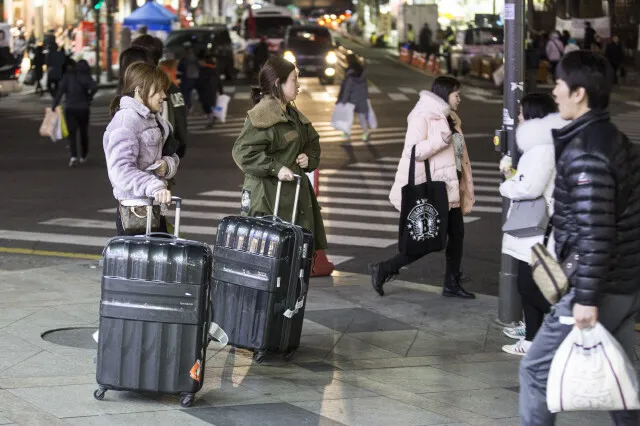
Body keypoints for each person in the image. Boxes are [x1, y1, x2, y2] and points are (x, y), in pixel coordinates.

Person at [519, 50, 640, 425]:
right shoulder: (610, 138)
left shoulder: (587, 152)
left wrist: (585, 298)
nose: (553, 91)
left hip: (596, 286)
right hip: (621, 281)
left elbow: (597, 231)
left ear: (579, 93)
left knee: (536, 370)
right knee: (621, 376)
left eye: (559, 83)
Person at [369, 76, 475, 298]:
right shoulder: (421, 115)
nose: (460, 99)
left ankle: (451, 283)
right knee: (427, 240)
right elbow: (414, 152)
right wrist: (442, 140)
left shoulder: (450, 117)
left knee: (457, 236)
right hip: (433, 188)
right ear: (445, 94)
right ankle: (385, 268)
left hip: (449, 186)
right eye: (457, 94)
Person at [231, 56, 328, 253]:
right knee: (269, 259)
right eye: (294, 79)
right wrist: (276, 168)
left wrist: (308, 157)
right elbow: (243, 153)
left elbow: (312, 142)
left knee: (294, 261)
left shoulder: (291, 113)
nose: (299, 85)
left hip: (295, 198)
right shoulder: (262, 115)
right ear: (278, 83)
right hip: (268, 200)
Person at [498, 93, 566, 355]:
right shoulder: (542, 145)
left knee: (530, 284)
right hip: (536, 226)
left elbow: (530, 187)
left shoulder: (542, 148)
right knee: (529, 283)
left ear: (534, 115)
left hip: (538, 227)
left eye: (522, 113)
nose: (518, 117)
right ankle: (531, 336)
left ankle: (557, 328)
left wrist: (507, 185)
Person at [104, 62, 178, 236]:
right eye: (158, 90)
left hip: (153, 207)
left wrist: (167, 166)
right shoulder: (126, 122)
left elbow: (169, 155)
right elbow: (120, 171)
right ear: (139, 90)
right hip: (135, 212)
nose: (163, 96)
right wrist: (155, 186)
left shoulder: (154, 119)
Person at [130, 35, 188, 159]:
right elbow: (181, 121)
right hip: (167, 157)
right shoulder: (170, 86)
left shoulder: (143, 88)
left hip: (149, 159)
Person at [52, 59, 97, 167]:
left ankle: (73, 156)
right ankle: (84, 155)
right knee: (83, 133)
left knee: (72, 133)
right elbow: (94, 87)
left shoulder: (68, 77)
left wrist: (54, 104)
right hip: (83, 109)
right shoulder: (87, 77)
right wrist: (89, 96)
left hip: (70, 108)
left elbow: (60, 91)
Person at [336, 54, 370, 142]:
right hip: (361, 98)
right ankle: (366, 133)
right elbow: (365, 87)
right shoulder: (362, 71)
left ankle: (346, 135)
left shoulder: (350, 74)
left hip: (351, 99)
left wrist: (342, 100)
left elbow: (347, 88)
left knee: (348, 117)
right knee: (361, 117)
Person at [196, 52, 223, 129]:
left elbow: (199, 81)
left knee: (206, 106)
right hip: (213, 90)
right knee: (212, 104)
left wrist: (197, 88)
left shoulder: (202, 70)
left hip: (204, 91)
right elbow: (219, 81)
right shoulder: (215, 70)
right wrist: (221, 91)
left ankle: (210, 119)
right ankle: (213, 116)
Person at [178, 43, 200, 112]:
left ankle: (188, 105)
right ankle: (189, 105)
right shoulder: (194, 56)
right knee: (188, 91)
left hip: (188, 76)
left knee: (186, 91)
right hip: (194, 76)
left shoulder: (185, 57)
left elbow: (181, 67)